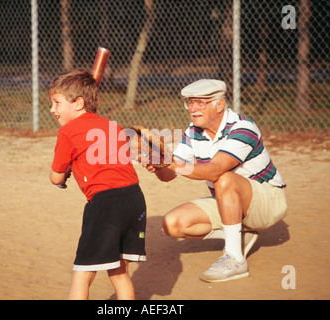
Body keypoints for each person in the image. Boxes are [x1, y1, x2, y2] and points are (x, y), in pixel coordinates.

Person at [144, 79, 287, 282]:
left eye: (200, 103)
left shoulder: (243, 127)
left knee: (224, 178)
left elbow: (214, 171)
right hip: (229, 200)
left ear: (219, 105)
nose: (193, 109)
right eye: (190, 103)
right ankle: (238, 236)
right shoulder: (192, 132)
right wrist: (158, 165)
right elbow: (170, 175)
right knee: (172, 224)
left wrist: (170, 162)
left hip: (269, 201)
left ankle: (235, 259)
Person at [48, 69, 147, 299]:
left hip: (105, 204)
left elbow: (56, 177)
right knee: (119, 271)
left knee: (81, 274)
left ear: (79, 103)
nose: (53, 110)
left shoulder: (68, 132)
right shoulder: (113, 126)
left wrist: (66, 171)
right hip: (135, 199)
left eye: (57, 103)